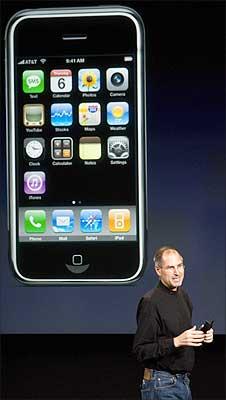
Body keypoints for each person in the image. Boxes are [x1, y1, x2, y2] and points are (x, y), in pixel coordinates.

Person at [133, 246, 214, 400]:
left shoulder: (183, 296)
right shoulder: (150, 302)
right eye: (170, 267)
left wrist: (201, 337)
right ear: (158, 270)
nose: (177, 272)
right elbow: (140, 350)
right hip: (161, 384)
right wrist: (175, 342)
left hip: (183, 382)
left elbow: (183, 341)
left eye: (179, 266)